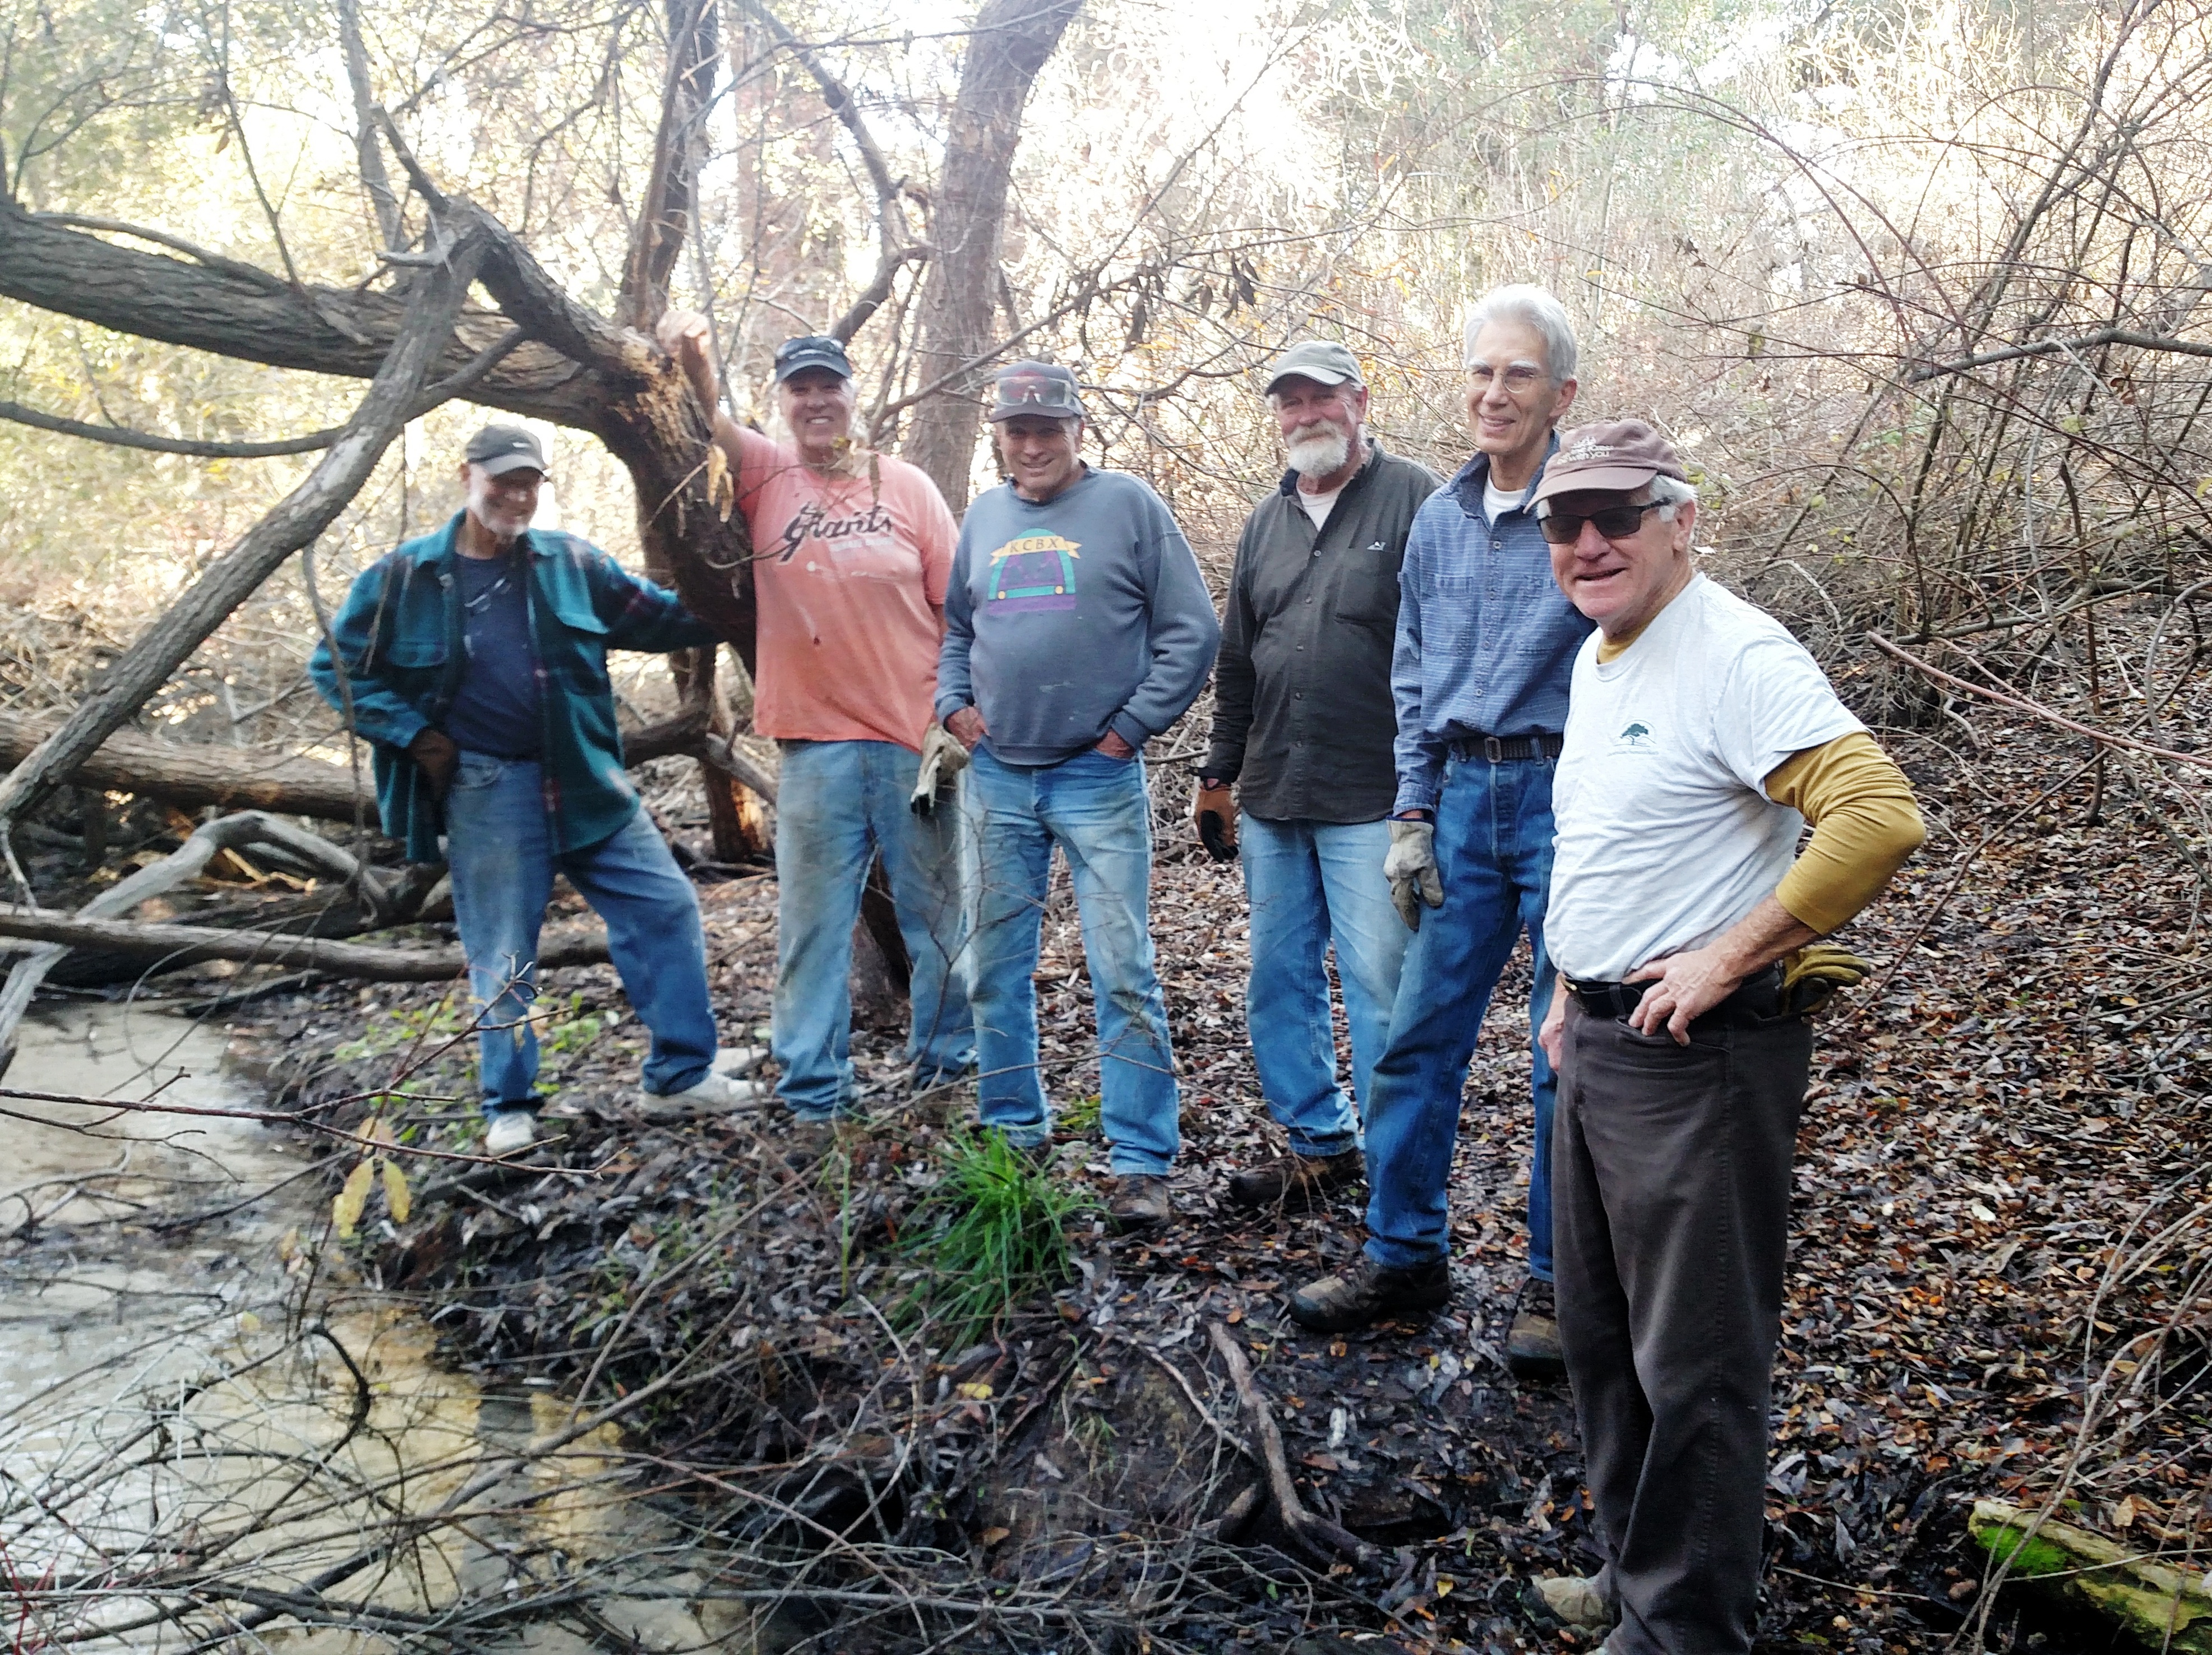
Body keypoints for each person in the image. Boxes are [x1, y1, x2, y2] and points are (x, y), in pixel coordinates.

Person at [1525, 419, 1923, 1654]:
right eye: (1562, 522)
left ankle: (1686, 1629)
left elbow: (1876, 819)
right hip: (1597, 1041)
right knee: (1600, 1339)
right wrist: (1559, 982)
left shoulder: (1736, 652)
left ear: (1679, 520)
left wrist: (1726, 951)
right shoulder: (1602, 652)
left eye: (1616, 517)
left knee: (1692, 1360)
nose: (1587, 543)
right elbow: (1611, 838)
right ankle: (1640, 1576)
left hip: (1698, 1059)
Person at [1288, 284, 1588, 1379]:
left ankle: (1560, 1284)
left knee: (1565, 1056)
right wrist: (1411, 812)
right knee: (1416, 1042)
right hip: (1460, 804)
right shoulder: (1439, 520)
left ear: (1560, 391)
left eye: (1515, 373)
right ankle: (1404, 1252)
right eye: (1478, 372)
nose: (1492, 393)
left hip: (1567, 799)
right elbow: (1411, 677)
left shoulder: (1588, 508)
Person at [310, 424, 755, 1155]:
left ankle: (679, 1075)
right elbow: (335, 668)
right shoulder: (403, 578)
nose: (516, 495)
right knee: (503, 950)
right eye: (502, 481)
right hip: (487, 787)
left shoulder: (571, 562)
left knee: (666, 905)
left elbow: (662, 619)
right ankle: (508, 1106)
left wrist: (744, 587)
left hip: (586, 778)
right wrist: (416, 735)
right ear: (467, 477)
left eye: (529, 483)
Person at [655, 314, 976, 1131]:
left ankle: (944, 1068)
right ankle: (814, 1089)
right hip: (814, 748)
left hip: (912, 743)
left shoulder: (905, 488)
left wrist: (958, 714)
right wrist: (690, 354)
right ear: (782, 403)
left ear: (851, 395)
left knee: (937, 919)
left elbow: (957, 611)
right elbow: (702, 421)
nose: (815, 402)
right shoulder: (763, 473)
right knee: (812, 928)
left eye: (827, 386)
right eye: (799, 390)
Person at [937, 362, 1221, 1232]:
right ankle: (1013, 1132)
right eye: (1016, 430)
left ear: (1077, 430)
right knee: (992, 966)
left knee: (1121, 969)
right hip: (996, 778)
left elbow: (1192, 631)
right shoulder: (982, 517)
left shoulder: (1128, 506)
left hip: (1095, 777)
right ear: (999, 435)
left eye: (1047, 428)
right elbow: (956, 626)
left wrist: (1128, 729)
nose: (1031, 445)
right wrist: (953, 704)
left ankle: (1140, 1160)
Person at [1198, 341, 1439, 1210]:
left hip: (1373, 796)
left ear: (1360, 401)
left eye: (1321, 399)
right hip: (1271, 795)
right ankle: (1319, 1141)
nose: (1305, 415)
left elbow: (1442, 651)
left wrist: (1427, 792)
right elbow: (1237, 659)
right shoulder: (1265, 522)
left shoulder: (1417, 499)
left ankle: (1395, 1173)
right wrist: (1216, 774)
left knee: (1382, 984)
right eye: (1289, 403)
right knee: (1279, 978)